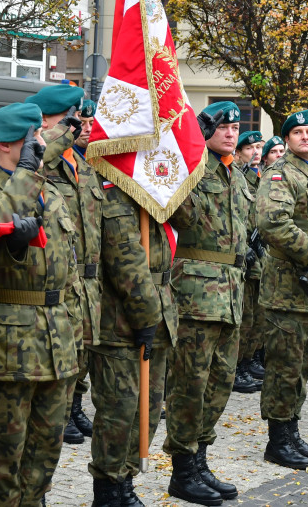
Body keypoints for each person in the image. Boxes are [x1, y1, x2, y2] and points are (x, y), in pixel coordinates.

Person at [0, 102, 77, 507]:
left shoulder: (48, 190)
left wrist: (76, 330)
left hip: (55, 338)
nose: (41, 144)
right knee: (5, 453)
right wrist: (27, 175)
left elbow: (70, 268)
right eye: (33, 139)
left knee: (45, 450)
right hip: (6, 341)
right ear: (5, 145)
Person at [163, 101, 250, 505]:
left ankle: (200, 458)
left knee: (220, 381)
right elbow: (182, 215)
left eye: (235, 127)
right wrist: (190, 151)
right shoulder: (194, 167)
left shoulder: (237, 173)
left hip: (231, 290)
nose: (231, 132)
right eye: (223, 126)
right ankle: (182, 469)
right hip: (197, 291)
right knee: (190, 384)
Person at [88, 179, 178, 507]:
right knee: (119, 410)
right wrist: (146, 315)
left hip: (157, 311)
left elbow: (190, 221)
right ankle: (108, 490)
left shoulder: (158, 186)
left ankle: (125, 482)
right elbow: (124, 259)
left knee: (150, 407)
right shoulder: (113, 190)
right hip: (120, 319)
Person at [255, 109, 308, 470]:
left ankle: (292, 430)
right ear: (286, 139)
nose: (306, 137)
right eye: (298, 132)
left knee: (302, 366)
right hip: (287, 288)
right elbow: (273, 222)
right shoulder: (280, 174)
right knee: (284, 368)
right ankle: (277, 439)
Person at [27, 84, 100, 445]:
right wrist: (55, 135)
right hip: (58, 273)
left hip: (87, 274)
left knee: (83, 347)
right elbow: (34, 164)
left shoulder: (80, 160)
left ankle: (75, 406)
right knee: (67, 348)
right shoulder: (42, 157)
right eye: (68, 118)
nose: (78, 125)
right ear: (45, 121)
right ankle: (64, 408)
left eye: (81, 117)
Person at [235, 129, 266, 392]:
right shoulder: (240, 177)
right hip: (242, 258)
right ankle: (238, 367)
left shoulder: (259, 178)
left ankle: (246, 362)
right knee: (244, 318)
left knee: (255, 317)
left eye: (258, 147)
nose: (255, 153)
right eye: (249, 148)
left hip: (257, 259)